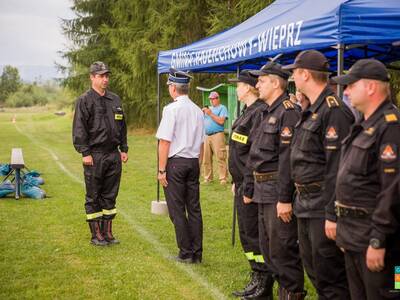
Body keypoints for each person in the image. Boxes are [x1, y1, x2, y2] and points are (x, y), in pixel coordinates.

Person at [282, 50, 354, 299]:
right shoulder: (312, 109)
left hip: (322, 204)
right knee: (316, 272)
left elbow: (338, 167)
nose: (292, 75)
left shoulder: (333, 111)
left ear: (305, 74)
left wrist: (333, 214)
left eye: (294, 71)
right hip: (305, 203)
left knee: (331, 278)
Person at [332, 59, 400, 299]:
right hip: (355, 236)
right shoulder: (362, 125)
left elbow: (392, 190)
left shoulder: (391, 127)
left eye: (351, 85)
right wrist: (345, 232)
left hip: (383, 244)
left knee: (391, 290)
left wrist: (378, 240)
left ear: (370, 87)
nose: (346, 91)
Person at [247, 62, 305, 299]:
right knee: (270, 251)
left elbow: (287, 159)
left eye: (261, 80)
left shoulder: (288, 111)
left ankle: (292, 293)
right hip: (262, 188)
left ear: (275, 82)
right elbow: (255, 154)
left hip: (276, 190)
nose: (257, 84)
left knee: (283, 250)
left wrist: (284, 198)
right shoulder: (265, 111)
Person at [72, 61, 128, 246]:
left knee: (110, 194)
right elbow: (79, 129)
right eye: (101, 76)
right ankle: (96, 235)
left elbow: (122, 126)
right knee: (94, 195)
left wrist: (124, 148)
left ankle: (108, 232)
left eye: (106, 75)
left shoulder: (115, 99)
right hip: (94, 155)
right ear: (92, 77)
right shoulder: (84, 100)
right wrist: (85, 153)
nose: (105, 79)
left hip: (113, 154)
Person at [227, 70, 270, 298]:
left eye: (239, 85)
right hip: (241, 183)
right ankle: (256, 275)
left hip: (251, 186)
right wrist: (237, 180)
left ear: (249, 87)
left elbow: (256, 154)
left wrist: (249, 184)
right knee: (246, 234)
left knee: (254, 233)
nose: (237, 89)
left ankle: (264, 281)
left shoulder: (259, 113)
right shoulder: (247, 112)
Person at [156, 68, 204, 264]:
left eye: (169, 86)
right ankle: (197, 252)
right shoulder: (198, 110)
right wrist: (198, 166)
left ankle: (186, 252)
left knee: (177, 210)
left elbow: (165, 142)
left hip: (176, 163)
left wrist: (161, 170)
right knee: (194, 209)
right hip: (193, 162)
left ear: (174, 88)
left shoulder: (171, 109)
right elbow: (201, 143)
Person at [202, 91, 229, 184]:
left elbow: (221, 121)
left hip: (217, 134)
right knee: (206, 158)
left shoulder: (222, 108)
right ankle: (208, 178)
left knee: (220, 157)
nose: (211, 101)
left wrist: (210, 114)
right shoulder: (207, 109)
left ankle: (223, 178)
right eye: (210, 99)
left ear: (218, 99)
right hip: (207, 135)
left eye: (213, 99)